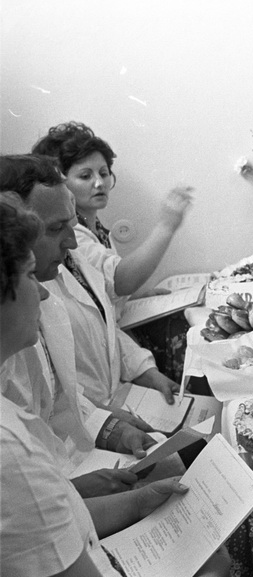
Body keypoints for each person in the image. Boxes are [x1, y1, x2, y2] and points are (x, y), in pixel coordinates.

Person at [0, 196, 233, 577]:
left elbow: (53, 524)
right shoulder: (10, 450)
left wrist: (135, 503)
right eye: (30, 276)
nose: (44, 293)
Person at [0, 155, 178, 415]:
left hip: (106, 408)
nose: (73, 242)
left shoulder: (66, 261)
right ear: (15, 229)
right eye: (56, 228)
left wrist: (144, 371)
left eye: (71, 224)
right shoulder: (20, 307)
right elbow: (48, 405)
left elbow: (105, 328)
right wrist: (103, 422)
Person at [32, 121, 193, 309]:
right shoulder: (72, 234)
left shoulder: (95, 227)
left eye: (103, 173)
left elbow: (105, 289)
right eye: (85, 176)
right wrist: (166, 226)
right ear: (60, 182)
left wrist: (137, 299)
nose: (99, 183)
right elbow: (121, 282)